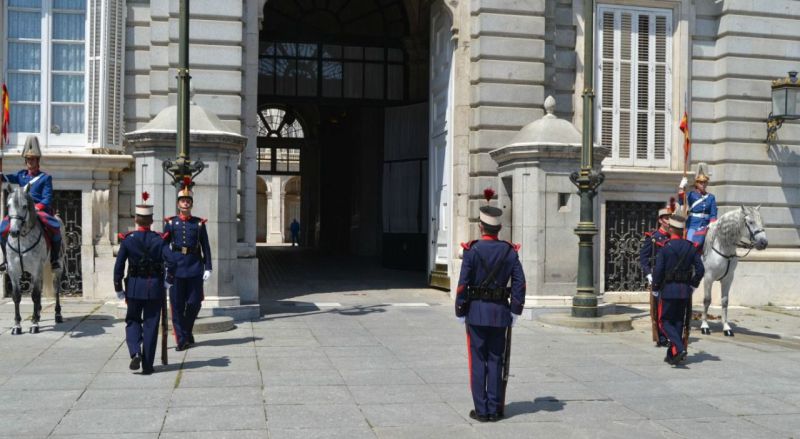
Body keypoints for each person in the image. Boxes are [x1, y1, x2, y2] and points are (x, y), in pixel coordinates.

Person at [455, 193, 526, 422]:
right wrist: (515, 309)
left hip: (476, 313)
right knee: (496, 360)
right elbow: (520, 282)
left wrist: (459, 309)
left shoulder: (472, 250)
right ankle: (495, 409)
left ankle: (482, 410)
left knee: (478, 361)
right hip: (500, 314)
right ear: (499, 228)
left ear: (480, 227)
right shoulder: (509, 251)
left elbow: (463, 284)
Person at [113, 196, 167, 375]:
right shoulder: (160, 239)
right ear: (151, 221)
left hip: (135, 288)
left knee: (133, 320)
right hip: (155, 288)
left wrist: (118, 287)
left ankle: (135, 351)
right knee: (151, 325)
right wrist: (169, 280)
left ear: (136, 220)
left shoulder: (128, 239)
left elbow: (119, 266)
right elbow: (173, 261)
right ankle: (148, 365)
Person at [0, 135, 62, 272]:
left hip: (38, 209)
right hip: (22, 210)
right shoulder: (21, 175)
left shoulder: (45, 178)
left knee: (55, 228)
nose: (30, 162)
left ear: (37, 161)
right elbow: (6, 178)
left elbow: (47, 198)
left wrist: (37, 207)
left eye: (32, 159)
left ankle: (54, 259)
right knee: (2, 229)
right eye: (28, 159)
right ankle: (6, 260)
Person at [163, 183, 212, 351]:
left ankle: (186, 330)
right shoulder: (171, 223)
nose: (185, 203)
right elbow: (164, 246)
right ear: (178, 204)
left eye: (188, 200)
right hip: (176, 268)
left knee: (194, 303)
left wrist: (208, 267)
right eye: (182, 201)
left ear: (191, 204)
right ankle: (182, 339)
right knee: (176, 306)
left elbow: (206, 246)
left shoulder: (199, 224)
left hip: (194, 266)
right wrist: (166, 265)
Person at [651, 214, 704, 366]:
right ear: (682, 230)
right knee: (678, 322)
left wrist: (655, 287)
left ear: (671, 229)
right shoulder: (690, 247)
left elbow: (658, 270)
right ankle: (673, 354)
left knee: (665, 322)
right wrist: (693, 285)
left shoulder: (666, 247)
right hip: (684, 291)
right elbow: (700, 270)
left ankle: (679, 348)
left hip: (668, 290)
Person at [639, 201, 674, 348]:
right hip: (657, 277)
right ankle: (661, 336)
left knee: (671, 307)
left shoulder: (674, 238)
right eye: (666, 218)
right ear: (660, 220)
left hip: (671, 277)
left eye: (670, 217)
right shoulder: (652, 237)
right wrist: (648, 275)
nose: (668, 220)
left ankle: (670, 333)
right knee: (659, 308)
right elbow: (643, 258)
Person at [677, 165, 717, 248]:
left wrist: (712, 223)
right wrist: (681, 187)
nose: (703, 184)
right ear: (696, 183)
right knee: (689, 242)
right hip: (693, 225)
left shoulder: (711, 197)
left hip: (707, 225)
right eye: (700, 182)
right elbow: (681, 201)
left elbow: (713, 213)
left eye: (704, 182)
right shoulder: (691, 194)